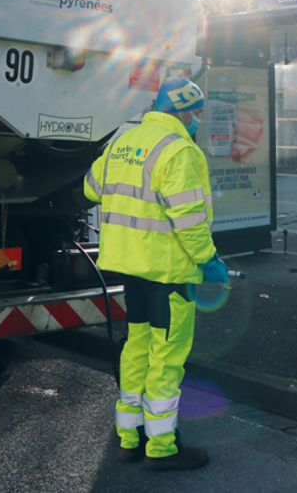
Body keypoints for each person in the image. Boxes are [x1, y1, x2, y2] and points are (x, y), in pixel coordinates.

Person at [84, 77, 229, 471]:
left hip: (129, 268)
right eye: (196, 111)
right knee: (166, 359)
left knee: (136, 348)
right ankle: (163, 448)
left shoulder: (123, 141)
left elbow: (91, 189)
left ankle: (129, 439)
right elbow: (189, 218)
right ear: (181, 109)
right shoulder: (179, 149)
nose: (197, 118)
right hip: (169, 273)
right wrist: (209, 261)